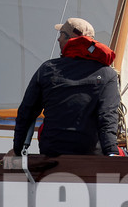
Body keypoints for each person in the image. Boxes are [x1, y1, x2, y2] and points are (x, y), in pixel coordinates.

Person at [11, 17, 121, 156]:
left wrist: (17, 149)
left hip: (52, 152)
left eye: (61, 34)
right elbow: (107, 116)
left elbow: (26, 113)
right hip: (91, 155)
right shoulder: (108, 74)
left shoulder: (48, 69)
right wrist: (112, 153)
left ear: (70, 38)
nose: (58, 40)